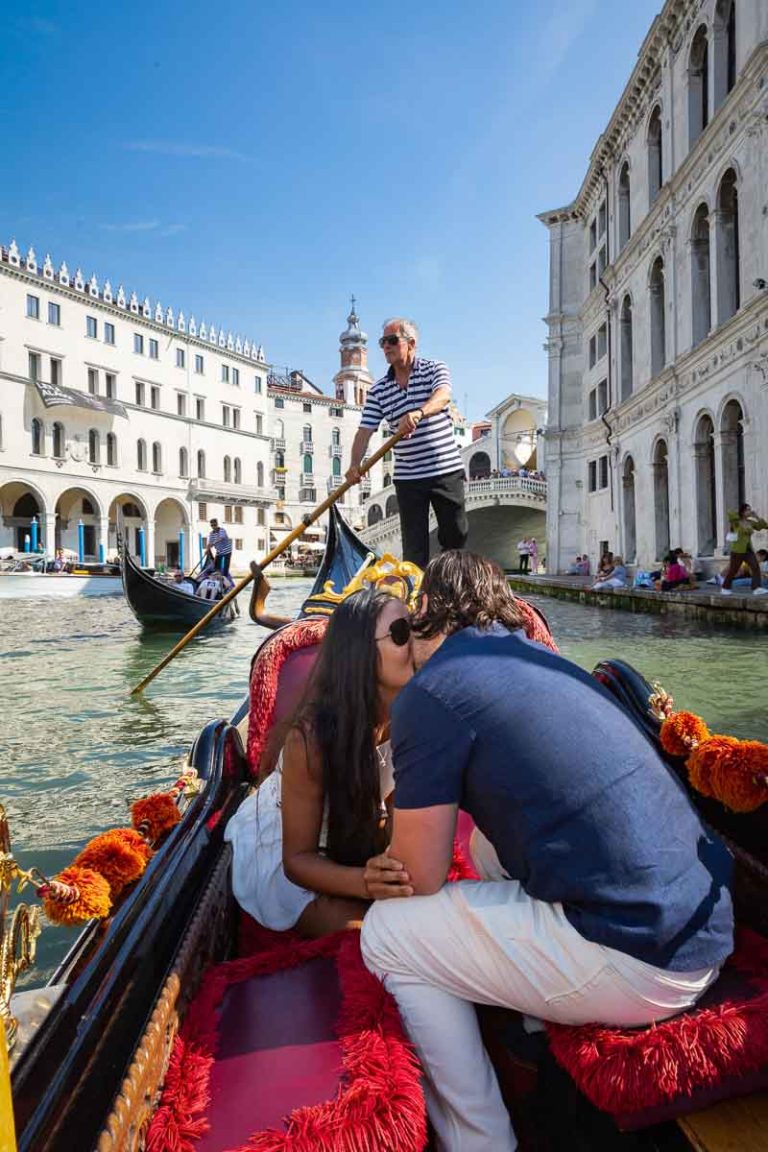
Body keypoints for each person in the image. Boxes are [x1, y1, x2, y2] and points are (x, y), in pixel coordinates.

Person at [360, 551, 734, 1152]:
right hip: (705, 931)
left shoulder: (430, 693)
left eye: (408, 628)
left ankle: (480, 1141)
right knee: (485, 847)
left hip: (644, 963)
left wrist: (371, 864)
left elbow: (419, 875)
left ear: (427, 611)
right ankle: (534, 1022)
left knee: (387, 931)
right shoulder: (541, 659)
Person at [225, 589, 415, 937]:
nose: (417, 641)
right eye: (402, 633)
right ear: (362, 656)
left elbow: (395, 808)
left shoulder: (412, 717)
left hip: (353, 833)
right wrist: (366, 883)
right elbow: (297, 860)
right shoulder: (310, 741)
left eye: (416, 625)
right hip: (287, 854)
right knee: (372, 936)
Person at [345, 318, 467, 570]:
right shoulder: (378, 390)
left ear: (411, 343)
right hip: (409, 477)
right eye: (382, 342)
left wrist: (419, 413)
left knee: (455, 537)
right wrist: (354, 465)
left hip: (445, 469)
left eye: (391, 341)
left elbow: (442, 396)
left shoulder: (435, 368)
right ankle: (416, 599)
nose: (385, 347)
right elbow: (364, 432)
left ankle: (452, 590)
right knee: (414, 547)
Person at [721, 503, 768, 595]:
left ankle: (756, 588)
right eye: (747, 510)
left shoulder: (750, 522)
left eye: (750, 509)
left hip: (748, 549)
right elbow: (730, 513)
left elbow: (764, 526)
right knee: (733, 570)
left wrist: (756, 517)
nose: (749, 511)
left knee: (755, 567)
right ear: (742, 511)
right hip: (737, 550)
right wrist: (739, 511)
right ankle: (725, 587)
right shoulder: (736, 522)